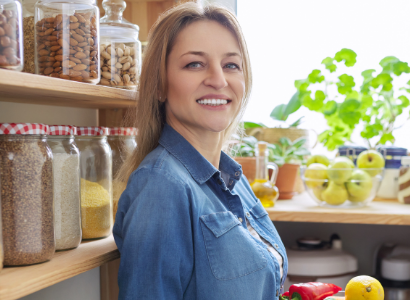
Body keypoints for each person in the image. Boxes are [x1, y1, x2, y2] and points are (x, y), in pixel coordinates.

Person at [113, 3, 287, 299]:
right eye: (195, 64)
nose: (219, 80)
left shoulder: (232, 177)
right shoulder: (162, 187)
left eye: (231, 65)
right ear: (160, 86)